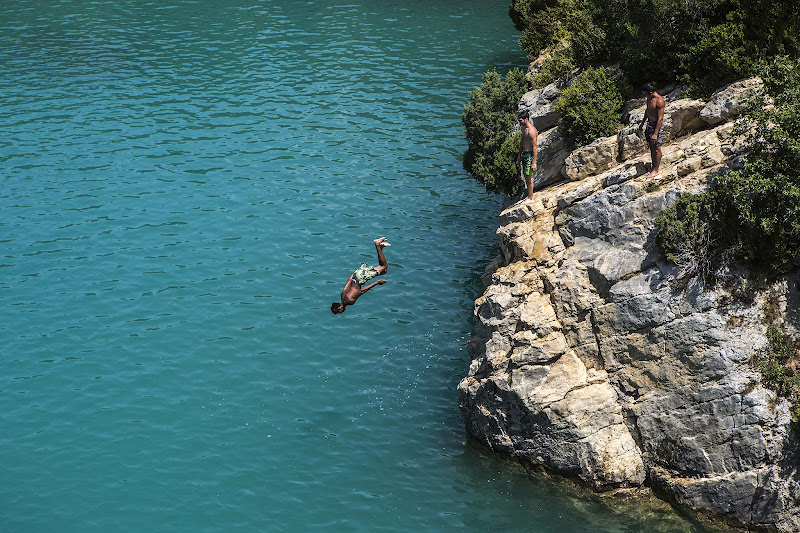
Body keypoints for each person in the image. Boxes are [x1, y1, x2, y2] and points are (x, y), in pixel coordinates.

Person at [331, 237, 390, 314]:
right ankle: (380, 248)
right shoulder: (342, 296)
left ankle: (377, 245)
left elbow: (362, 291)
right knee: (383, 271)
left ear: (340, 307)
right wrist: (359, 270)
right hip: (357, 275)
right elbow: (349, 280)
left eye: (339, 312)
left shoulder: (349, 301)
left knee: (383, 266)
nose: (341, 312)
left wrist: (377, 283)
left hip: (361, 278)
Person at [638, 83, 665, 178]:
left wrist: (655, 133)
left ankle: (656, 170)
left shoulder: (659, 101)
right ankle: (653, 168)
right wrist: (642, 123)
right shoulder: (649, 99)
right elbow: (647, 111)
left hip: (656, 126)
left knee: (657, 148)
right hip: (649, 124)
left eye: (645, 93)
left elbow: (660, 119)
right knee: (651, 147)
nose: (644, 95)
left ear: (650, 92)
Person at [516, 110, 539, 204]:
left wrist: (533, 162)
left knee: (529, 177)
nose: (519, 122)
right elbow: (522, 143)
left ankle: (531, 197)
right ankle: (529, 196)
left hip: (529, 155)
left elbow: (535, 148)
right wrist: (519, 155)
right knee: (525, 176)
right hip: (525, 154)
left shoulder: (532, 131)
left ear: (526, 119)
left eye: (521, 120)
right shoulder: (523, 128)